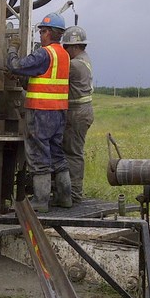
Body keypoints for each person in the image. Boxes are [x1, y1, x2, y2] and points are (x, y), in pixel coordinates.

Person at [7, 12, 72, 212]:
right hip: (59, 112)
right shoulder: (64, 55)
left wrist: (12, 49)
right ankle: (64, 198)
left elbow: (16, 66)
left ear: (51, 33)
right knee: (57, 155)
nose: (41, 35)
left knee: (38, 155)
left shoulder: (44, 53)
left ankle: (41, 201)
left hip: (41, 112)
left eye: (43, 31)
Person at [62, 25, 94, 203]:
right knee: (71, 151)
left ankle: (74, 194)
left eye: (66, 47)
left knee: (73, 153)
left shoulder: (74, 65)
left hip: (77, 112)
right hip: (81, 111)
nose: (64, 50)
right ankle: (68, 190)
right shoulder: (84, 59)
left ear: (74, 46)